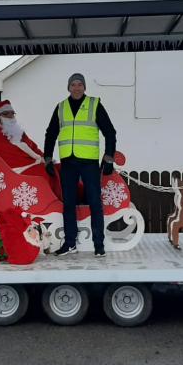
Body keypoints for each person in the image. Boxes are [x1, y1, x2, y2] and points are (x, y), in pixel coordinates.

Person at [44, 73, 116, 257]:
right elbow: (51, 133)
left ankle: (99, 245)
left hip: (89, 162)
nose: (76, 88)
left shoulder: (94, 104)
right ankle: (70, 244)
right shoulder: (61, 107)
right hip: (68, 162)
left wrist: (109, 157)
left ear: (84, 87)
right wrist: (47, 158)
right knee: (68, 203)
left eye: (79, 85)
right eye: (73, 85)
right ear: (68, 87)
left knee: (94, 202)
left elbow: (110, 132)